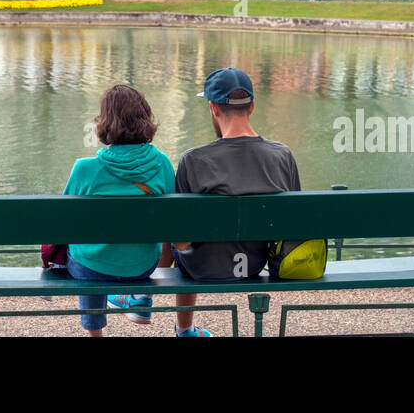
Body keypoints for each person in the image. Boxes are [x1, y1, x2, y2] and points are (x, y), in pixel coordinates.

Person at [112, 68, 300, 338]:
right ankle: (176, 323)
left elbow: (180, 240)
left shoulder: (194, 160)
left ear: (213, 108)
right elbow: (292, 223)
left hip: (202, 269)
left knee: (172, 220)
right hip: (254, 265)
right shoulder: (283, 155)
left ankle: (157, 309)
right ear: (252, 107)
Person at [62, 84, 174, 337]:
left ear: (105, 122)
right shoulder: (163, 164)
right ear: (146, 118)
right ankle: (135, 297)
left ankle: (95, 333)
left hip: (91, 269)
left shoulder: (84, 169)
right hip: (142, 265)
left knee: (86, 253)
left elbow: (64, 219)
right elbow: (172, 222)